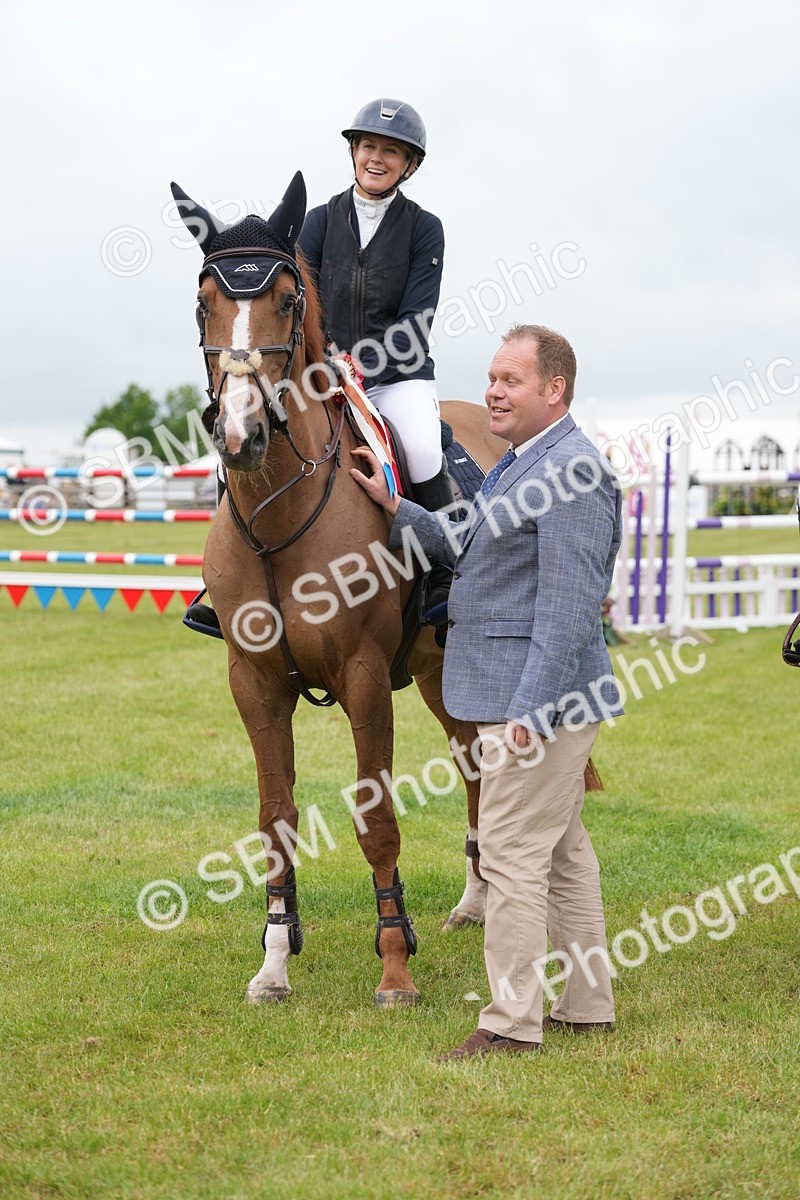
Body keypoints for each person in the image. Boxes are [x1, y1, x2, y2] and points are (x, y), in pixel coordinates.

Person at [351, 324, 624, 1060]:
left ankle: (509, 1025)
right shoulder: (520, 462)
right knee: (563, 856)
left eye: (510, 380)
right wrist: (392, 504)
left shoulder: (572, 472)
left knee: (509, 857)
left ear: (554, 390)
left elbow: (569, 611)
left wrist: (530, 715)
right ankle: (588, 1006)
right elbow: (465, 540)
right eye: (492, 378)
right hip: (516, 698)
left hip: (533, 705)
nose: (492, 391)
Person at [298, 98, 455, 518]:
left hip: (398, 378)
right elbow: (304, 307)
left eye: (391, 151)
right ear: (354, 151)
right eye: (368, 146)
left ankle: (447, 567)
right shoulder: (319, 221)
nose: (376, 159)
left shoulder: (424, 229)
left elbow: (415, 324)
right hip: (325, 374)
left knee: (422, 451)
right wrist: (329, 356)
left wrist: (362, 367)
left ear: (410, 165)